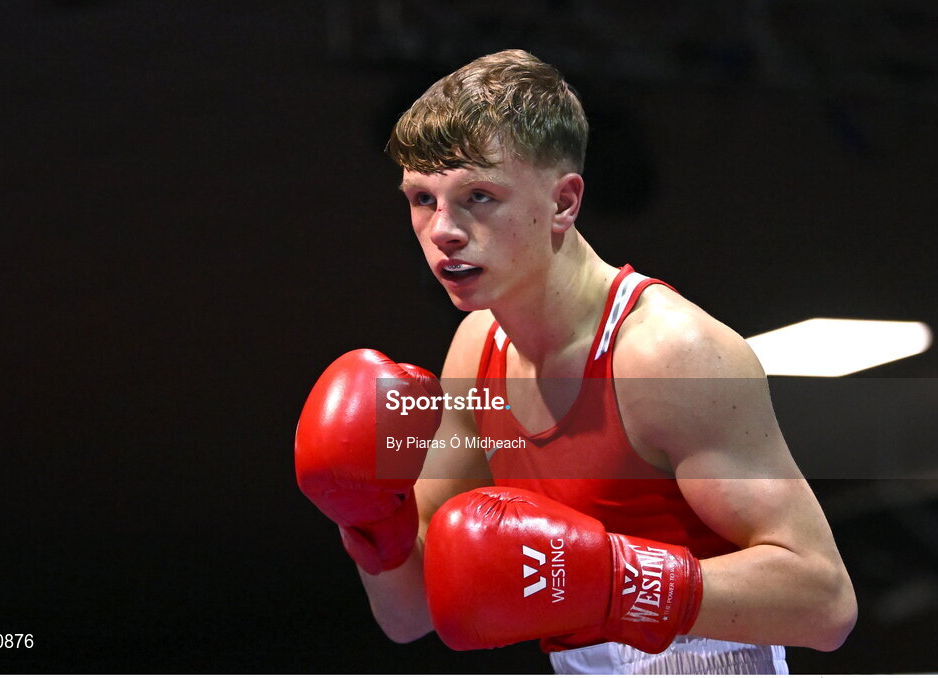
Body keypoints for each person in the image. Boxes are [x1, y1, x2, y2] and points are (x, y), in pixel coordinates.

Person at [295, 49, 856, 674]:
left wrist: (615, 580)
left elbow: (825, 602)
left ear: (564, 203)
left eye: (478, 195)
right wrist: (375, 523)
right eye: (423, 198)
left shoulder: (667, 354)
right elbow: (409, 617)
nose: (443, 229)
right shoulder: (476, 351)